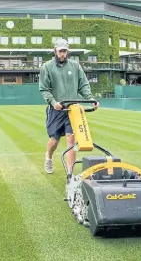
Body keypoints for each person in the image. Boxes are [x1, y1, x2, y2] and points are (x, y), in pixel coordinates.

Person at [39, 38, 99, 174]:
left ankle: (70, 174)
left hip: (73, 110)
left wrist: (91, 100)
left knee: (71, 138)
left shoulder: (75, 66)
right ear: (55, 51)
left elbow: (83, 85)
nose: (62, 54)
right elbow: (44, 89)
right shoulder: (47, 67)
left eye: (65, 51)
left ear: (67, 52)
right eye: (60, 51)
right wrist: (54, 103)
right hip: (56, 109)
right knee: (54, 140)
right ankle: (48, 157)